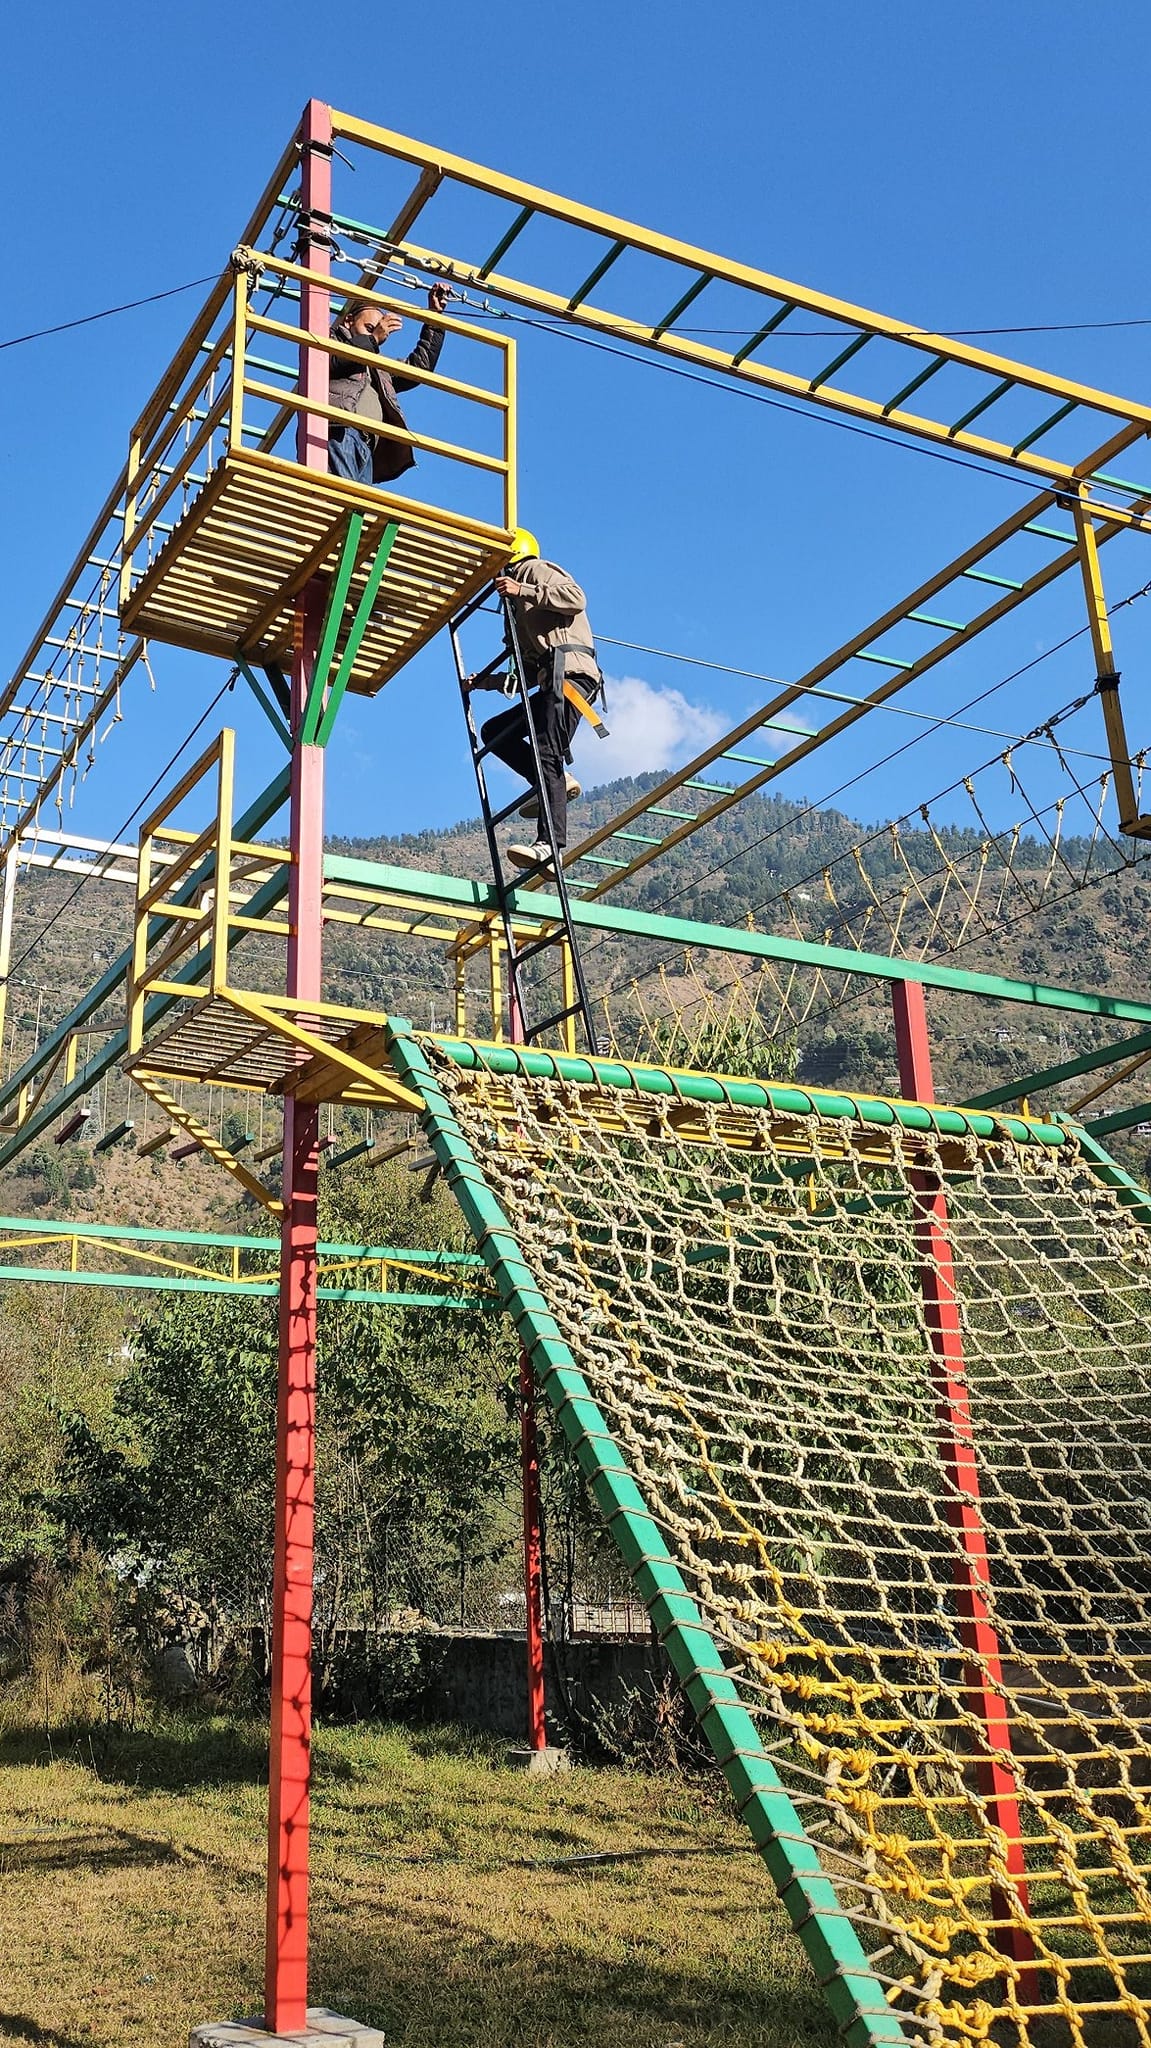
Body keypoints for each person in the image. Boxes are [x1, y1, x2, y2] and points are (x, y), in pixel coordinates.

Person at [475, 530, 605, 874]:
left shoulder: (535, 570)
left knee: (547, 749)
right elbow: (528, 675)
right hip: (550, 681)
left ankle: (550, 846)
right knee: (496, 731)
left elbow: (576, 597)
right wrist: (485, 683)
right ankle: (552, 779)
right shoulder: (515, 609)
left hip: (572, 678)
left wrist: (525, 590)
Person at [328, 281, 451, 486]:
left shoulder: (378, 368)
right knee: (341, 501)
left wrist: (434, 318)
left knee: (356, 510)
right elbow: (330, 361)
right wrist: (373, 340)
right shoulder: (332, 339)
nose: (374, 334)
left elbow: (418, 368)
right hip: (340, 431)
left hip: (367, 444)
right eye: (369, 328)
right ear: (349, 320)